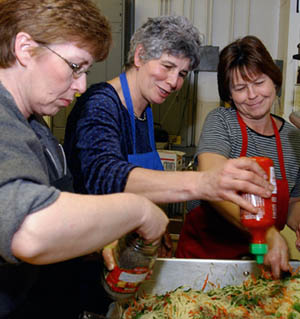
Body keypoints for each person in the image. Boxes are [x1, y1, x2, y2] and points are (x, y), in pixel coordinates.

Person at [0, 1, 170, 318]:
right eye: (75, 66)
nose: (81, 86)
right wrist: (139, 210)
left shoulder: (34, 125)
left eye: (86, 72)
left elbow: (58, 203)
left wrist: (96, 235)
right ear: (25, 48)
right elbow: (28, 230)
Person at [64, 16, 273, 257]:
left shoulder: (145, 110)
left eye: (182, 73)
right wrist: (202, 183)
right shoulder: (100, 105)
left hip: (125, 249)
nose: (174, 82)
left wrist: (156, 220)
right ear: (139, 56)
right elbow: (105, 174)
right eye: (167, 66)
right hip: (87, 253)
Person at [176, 35, 300, 279]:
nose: (252, 95)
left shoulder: (293, 138)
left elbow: (293, 203)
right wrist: (266, 231)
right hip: (203, 267)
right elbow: (214, 183)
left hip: (258, 270)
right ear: (229, 95)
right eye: (240, 88)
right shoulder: (221, 122)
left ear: (274, 82)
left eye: (259, 82)